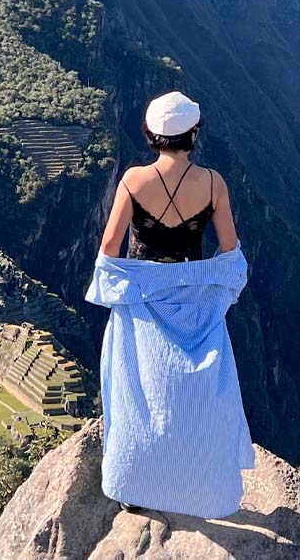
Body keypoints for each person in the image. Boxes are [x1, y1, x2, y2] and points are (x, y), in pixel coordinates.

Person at [84, 90, 256, 519]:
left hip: (144, 304)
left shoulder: (133, 181)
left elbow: (109, 250)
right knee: (194, 398)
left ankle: (134, 485)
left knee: (138, 393)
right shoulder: (213, 184)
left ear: (151, 135)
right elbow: (230, 253)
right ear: (192, 134)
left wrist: (141, 281)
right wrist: (203, 287)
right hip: (193, 305)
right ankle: (199, 487)